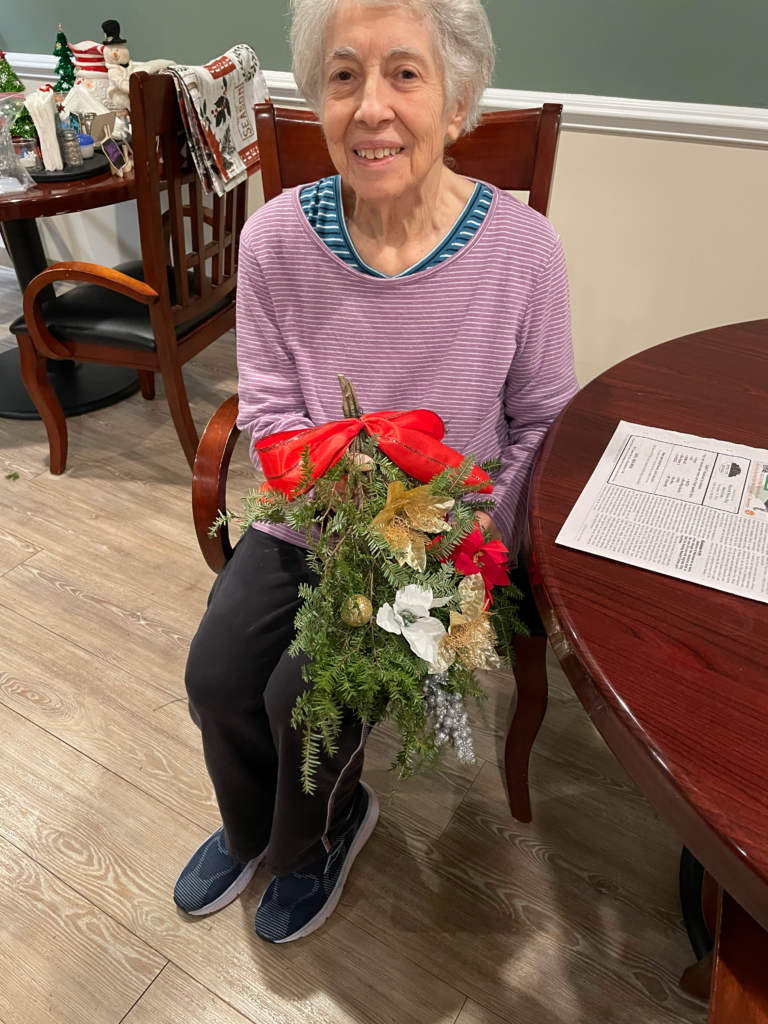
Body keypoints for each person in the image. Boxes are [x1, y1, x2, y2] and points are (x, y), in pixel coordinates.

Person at [175, 0, 579, 944]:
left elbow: (544, 421)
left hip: (439, 548)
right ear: (317, 98)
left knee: (301, 697)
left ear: (459, 100)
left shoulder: (524, 254)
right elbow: (273, 416)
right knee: (218, 677)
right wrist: (347, 510)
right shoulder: (273, 241)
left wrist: (476, 546)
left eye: (406, 73)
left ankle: (318, 835)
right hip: (308, 516)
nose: (371, 108)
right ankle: (249, 829)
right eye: (344, 75)